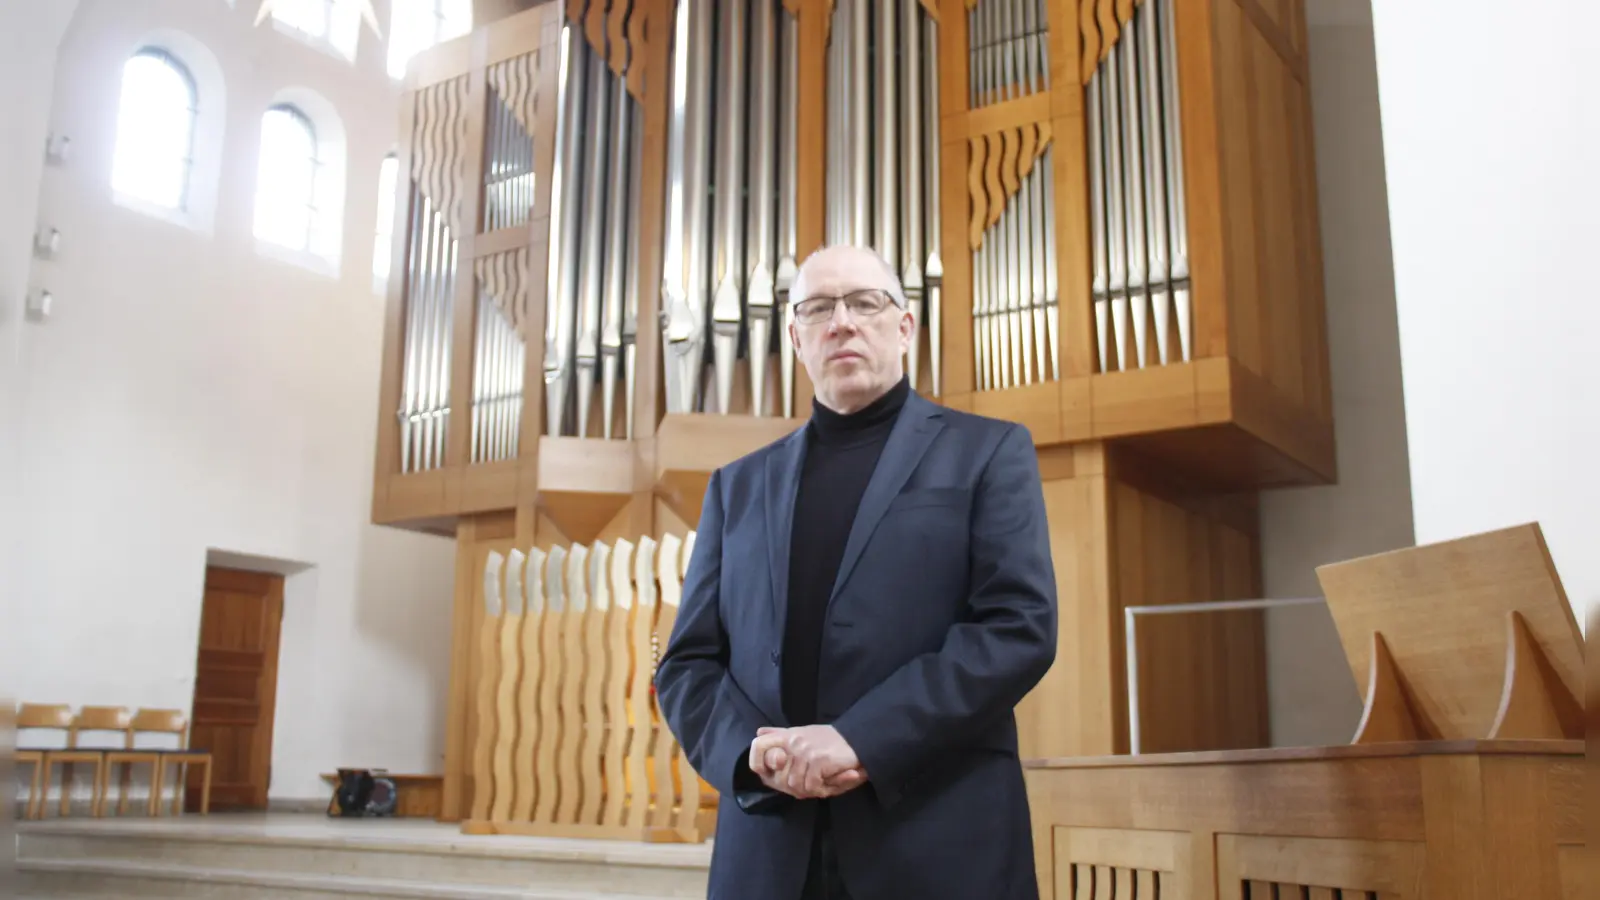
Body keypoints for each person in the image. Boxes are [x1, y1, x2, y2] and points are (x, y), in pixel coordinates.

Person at [654, 244, 1058, 900]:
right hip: (769, 852)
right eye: (818, 308)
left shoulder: (987, 452)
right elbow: (687, 664)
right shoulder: (737, 487)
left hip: (936, 843)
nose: (841, 321)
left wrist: (860, 740)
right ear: (796, 338)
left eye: (864, 302)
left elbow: (1017, 628)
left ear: (904, 327)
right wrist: (748, 754)